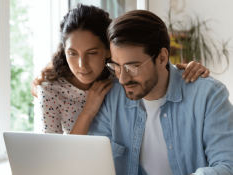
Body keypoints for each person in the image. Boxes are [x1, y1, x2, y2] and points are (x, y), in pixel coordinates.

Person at [70, 10, 233, 175]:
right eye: (117, 66)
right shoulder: (111, 98)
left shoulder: (209, 96)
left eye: (132, 67)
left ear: (161, 58)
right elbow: (92, 164)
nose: (122, 79)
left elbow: (227, 166)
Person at [32, 4, 210, 135]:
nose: (81, 65)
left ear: (109, 51)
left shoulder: (119, 78)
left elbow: (152, 72)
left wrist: (185, 72)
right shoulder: (50, 90)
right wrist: (88, 111)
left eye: (92, 53)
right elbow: (55, 156)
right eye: (72, 53)